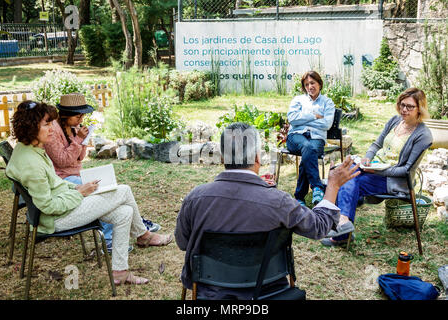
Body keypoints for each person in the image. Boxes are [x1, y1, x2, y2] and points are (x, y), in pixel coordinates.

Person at [175, 122, 360, 299]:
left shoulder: (195, 198)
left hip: (209, 293)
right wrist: (333, 186)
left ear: (223, 158)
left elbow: (183, 243)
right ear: (257, 158)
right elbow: (319, 227)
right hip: (269, 292)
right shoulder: (279, 201)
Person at [6, 100, 173, 285]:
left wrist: (77, 188)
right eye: (46, 124)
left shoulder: (30, 148)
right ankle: (143, 235)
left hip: (63, 204)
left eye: (51, 123)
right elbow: (48, 206)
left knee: (124, 213)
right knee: (124, 190)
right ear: (30, 127)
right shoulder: (32, 162)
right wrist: (80, 193)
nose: (52, 129)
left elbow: (56, 183)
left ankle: (120, 272)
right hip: (56, 219)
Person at [43, 93, 161, 253]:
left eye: (83, 115)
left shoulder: (73, 128)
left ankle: (134, 226)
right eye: (78, 116)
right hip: (63, 179)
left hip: (76, 174)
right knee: (105, 192)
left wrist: (84, 141)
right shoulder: (53, 131)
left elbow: (80, 158)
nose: (81, 119)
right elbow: (62, 161)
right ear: (66, 114)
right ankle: (113, 237)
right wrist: (78, 140)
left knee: (108, 184)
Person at [321, 88, 433, 246]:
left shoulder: (423, 134)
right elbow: (376, 144)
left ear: (419, 108)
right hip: (373, 168)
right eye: (402, 105)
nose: (404, 110)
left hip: (393, 179)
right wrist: (367, 158)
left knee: (351, 180)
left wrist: (378, 170)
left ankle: (342, 231)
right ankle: (342, 222)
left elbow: (406, 169)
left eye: (409, 106)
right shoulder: (395, 120)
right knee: (343, 171)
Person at [286, 71, 335, 207]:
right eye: (306, 84)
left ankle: (299, 197)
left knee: (309, 150)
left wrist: (303, 119)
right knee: (308, 148)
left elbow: (326, 124)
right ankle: (317, 188)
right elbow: (292, 119)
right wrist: (314, 116)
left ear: (319, 84)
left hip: (317, 138)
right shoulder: (298, 100)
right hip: (296, 136)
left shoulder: (327, 103)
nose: (310, 87)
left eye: (312, 83)